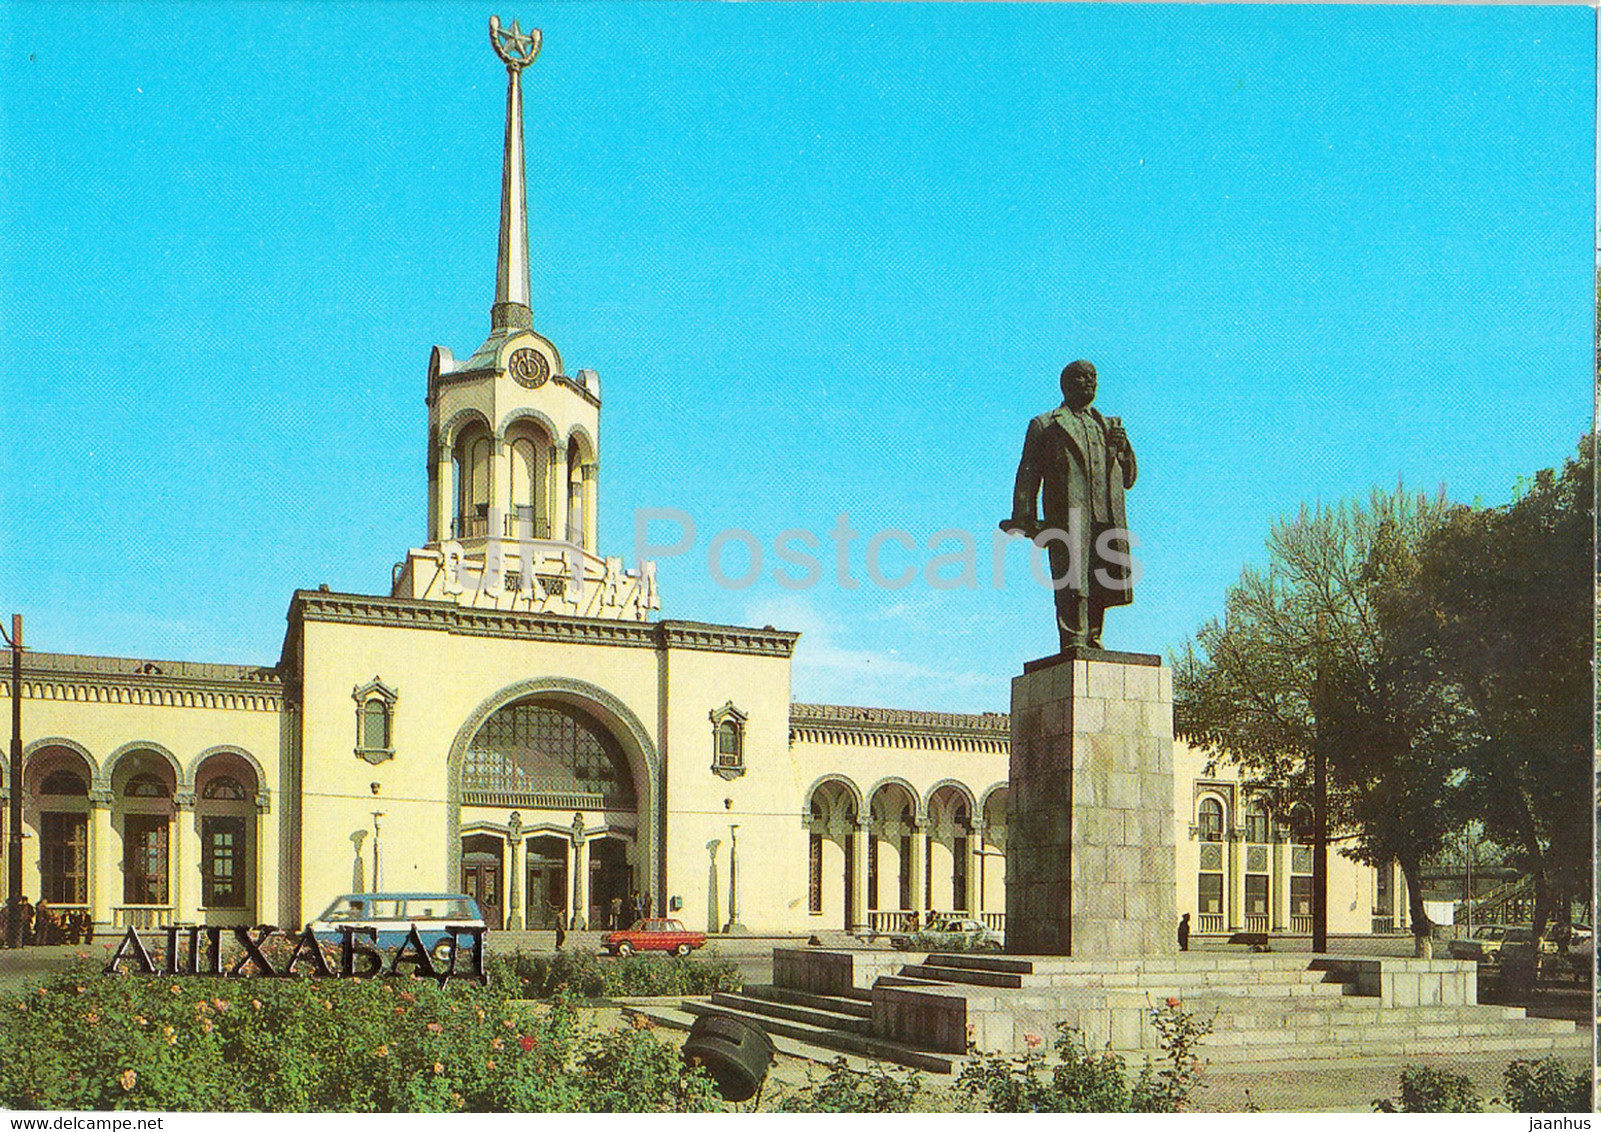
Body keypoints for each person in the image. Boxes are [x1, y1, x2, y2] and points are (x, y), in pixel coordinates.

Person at [1002, 360, 1138, 651]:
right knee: (1073, 576)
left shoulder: (1108, 424)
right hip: (1068, 515)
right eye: (1081, 377)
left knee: (1102, 573)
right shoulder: (1047, 424)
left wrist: (1123, 448)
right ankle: (1073, 636)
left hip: (1107, 514)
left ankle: (1093, 634)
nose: (1089, 382)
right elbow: (1028, 473)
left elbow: (1129, 479)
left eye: (1093, 377)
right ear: (1065, 384)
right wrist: (1025, 518)